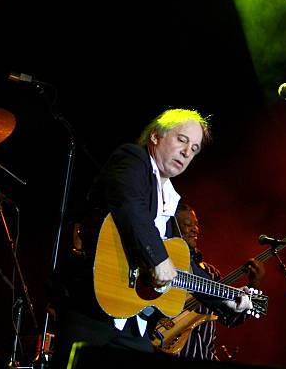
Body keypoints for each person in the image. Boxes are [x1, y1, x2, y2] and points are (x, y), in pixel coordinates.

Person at [52, 108, 254, 367]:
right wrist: (157, 258)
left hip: (133, 326)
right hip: (92, 310)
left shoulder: (169, 200)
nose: (187, 152)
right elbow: (129, 205)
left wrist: (226, 297)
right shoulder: (133, 158)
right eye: (182, 140)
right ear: (157, 136)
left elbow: (184, 267)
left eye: (194, 149)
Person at [173, 203, 265, 360]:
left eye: (196, 224)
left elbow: (230, 318)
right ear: (173, 227)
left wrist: (254, 285)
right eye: (188, 225)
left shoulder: (211, 273)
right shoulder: (164, 264)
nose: (195, 229)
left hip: (202, 355)